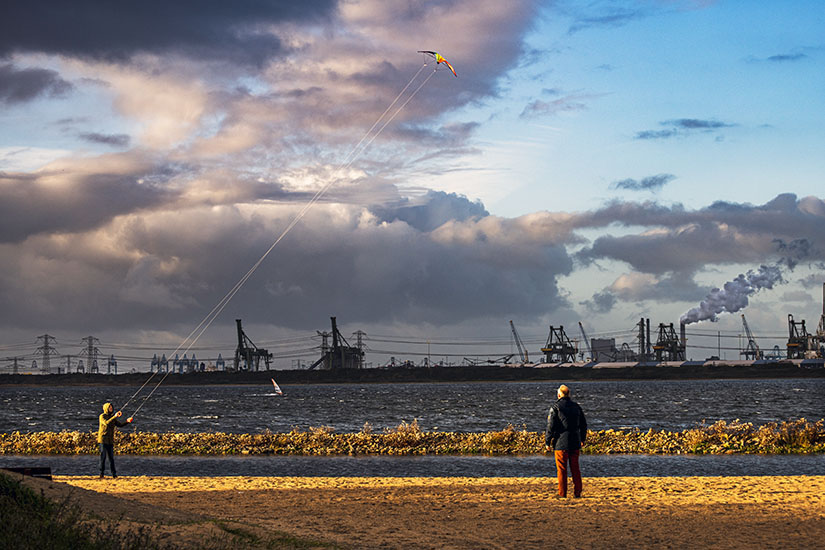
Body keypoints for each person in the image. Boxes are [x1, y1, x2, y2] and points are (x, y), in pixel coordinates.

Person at [545, 384, 587, 498]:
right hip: (575, 440)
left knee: (562, 469)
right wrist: (583, 438)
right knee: (575, 469)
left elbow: (551, 426)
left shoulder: (555, 407)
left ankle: (562, 493)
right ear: (569, 394)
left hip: (561, 442)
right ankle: (577, 492)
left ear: (559, 394)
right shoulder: (577, 407)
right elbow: (583, 424)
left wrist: (547, 442)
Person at [98, 402, 132, 479]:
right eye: (109, 407)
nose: (111, 409)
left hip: (110, 440)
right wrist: (115, 416)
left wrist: (127, 421)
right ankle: (101, 474)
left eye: (111, 407)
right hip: (103, 440)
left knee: (111, 458)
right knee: (103, 457)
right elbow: (106, 423)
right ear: (106, 408)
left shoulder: (112, 417)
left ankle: (114, 474)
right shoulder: (102, 416)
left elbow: (120, 425)